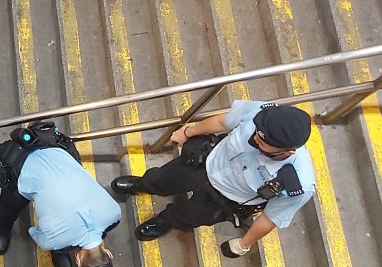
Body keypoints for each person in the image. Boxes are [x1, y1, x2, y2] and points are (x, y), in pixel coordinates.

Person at [111, 101, 315, 257]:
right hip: (205, 163)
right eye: (256, 133)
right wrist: (187, 132)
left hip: (225, 198)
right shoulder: (263, 113)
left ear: (287, 151)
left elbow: (271, 218)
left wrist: (244, 244)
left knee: (188, 216)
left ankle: (165, 221)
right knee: (162, 178)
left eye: (262, 141)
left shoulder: (298, 183)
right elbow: (221, 121)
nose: (254, 138)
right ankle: (144, 185)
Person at [0, 142, 120, 267]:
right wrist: (60, 239)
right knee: (9, 205)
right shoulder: (51, 241)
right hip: (23, 164)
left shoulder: (115, 214)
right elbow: (34, 231)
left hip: (59, 151)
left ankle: (61, 245)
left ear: (109, 254)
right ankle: (4, 224)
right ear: (78, 261)